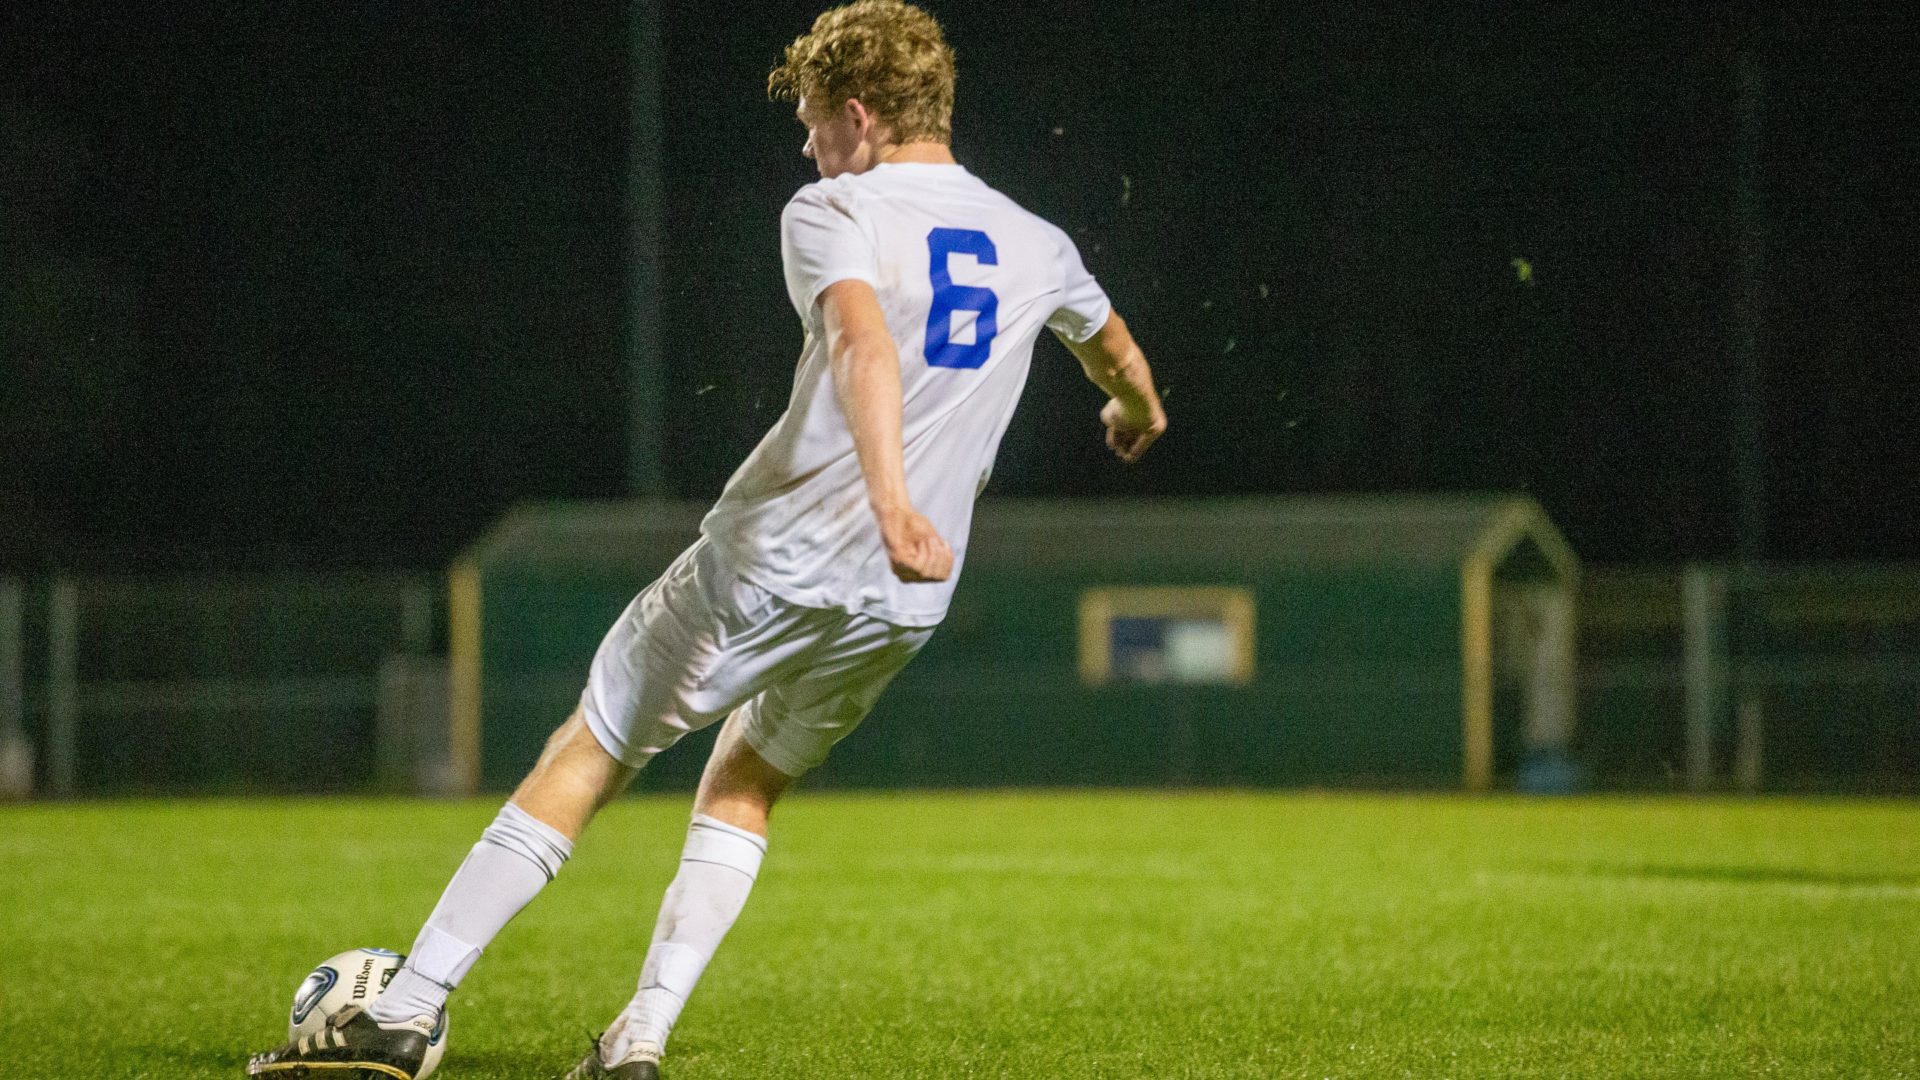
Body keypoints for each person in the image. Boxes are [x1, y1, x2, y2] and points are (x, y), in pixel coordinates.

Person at [246, 2, 1165, 1077]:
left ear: (860, 118)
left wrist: (887, 497)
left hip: (775, 561)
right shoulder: (1036, 241)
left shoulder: (836, 208)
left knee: (589, 750)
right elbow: (1117, 353)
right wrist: (1134, 416)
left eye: (817, 124)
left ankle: (403, 1012)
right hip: (903, 601)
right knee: (744, 785)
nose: (810, 148)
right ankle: (638, 1038)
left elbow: (864, 343)